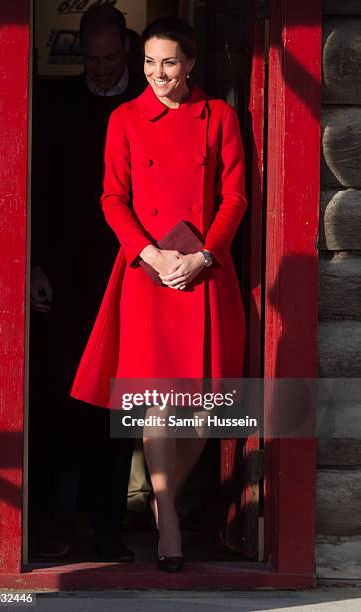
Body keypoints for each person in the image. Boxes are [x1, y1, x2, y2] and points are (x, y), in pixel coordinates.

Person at [70, 17, 248, 572]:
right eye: (149, 62)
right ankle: (169, 521)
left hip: (203, 271)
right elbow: (112, 198)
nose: (157, 73)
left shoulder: (218, 116)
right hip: (146, 274)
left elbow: (236, 198)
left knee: (207, 410)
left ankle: (158, 496)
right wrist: (148, 254)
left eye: (168, 62)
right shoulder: (124, 118)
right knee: (157, 402)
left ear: (190, 63)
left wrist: (203, 256)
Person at [29, 3, 145, 562]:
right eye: (92, 58)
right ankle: (56, 517)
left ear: (126, 48)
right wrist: (32, 266)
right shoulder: (56, 106)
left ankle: (106, 522)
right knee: (59, 397)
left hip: (129, 272)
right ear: (80, 50)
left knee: (119, 402)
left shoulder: (149, 105)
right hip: (64, 275)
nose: (101, 69)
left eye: (110, 57)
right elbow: (36, 193)